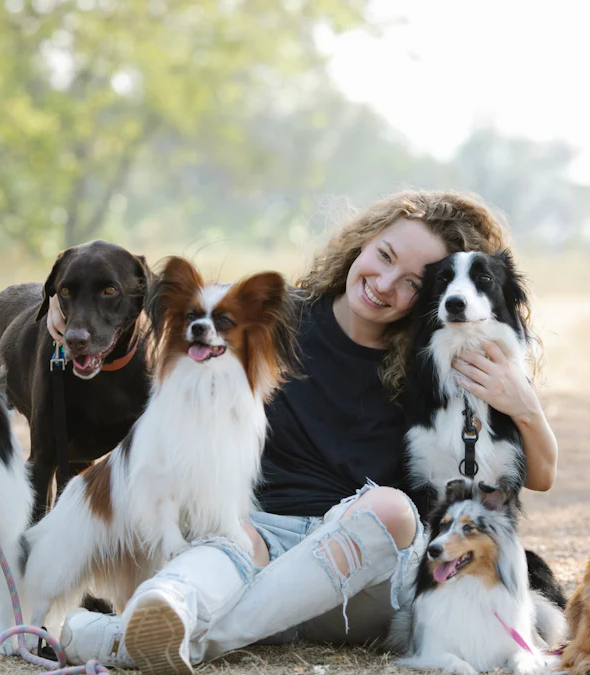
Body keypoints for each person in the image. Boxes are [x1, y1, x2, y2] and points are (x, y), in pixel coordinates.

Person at [47, 190, 559, 673]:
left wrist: (525, 405)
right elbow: (160, 310)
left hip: (363, 569)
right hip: (259, 542)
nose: (385, 284)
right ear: (362, 242)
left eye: (411, 282)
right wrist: (56, 312)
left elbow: (537, 475)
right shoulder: (274, 321)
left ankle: (133, 638)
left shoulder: (430, 366)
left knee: (392, 509)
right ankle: (168, 608)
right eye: (383, 256)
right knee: (229, 532)